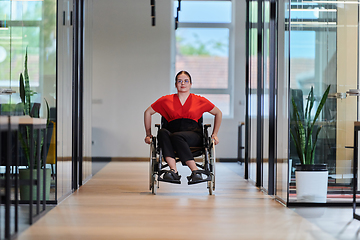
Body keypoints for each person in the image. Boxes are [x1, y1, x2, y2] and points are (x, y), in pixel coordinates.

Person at [144, 70, 222, 184]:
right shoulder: (166, 100)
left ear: (191, 84)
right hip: (172, 133)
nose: (183, 83)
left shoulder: (199, 100)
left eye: (186, 81)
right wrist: (148, 134)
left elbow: (218, 113)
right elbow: (147, 112)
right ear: (175, 84)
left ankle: (195, 171)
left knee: (176, 136)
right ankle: (173, 171)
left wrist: (215, 134)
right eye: (179, 81)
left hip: (193, 135)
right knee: (162, 132)